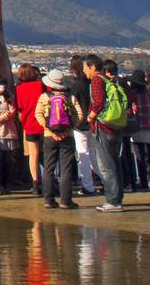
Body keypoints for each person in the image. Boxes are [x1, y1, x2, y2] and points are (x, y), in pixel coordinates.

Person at [35, 68, 82, 209]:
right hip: (67, 136)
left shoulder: (44, 97)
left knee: (49, 168)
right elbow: (79, 115)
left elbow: (38, 114)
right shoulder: (70, 98)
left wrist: (48, 129)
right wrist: (69, 128)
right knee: (66, 169)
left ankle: (48, 199)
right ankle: (66, 201)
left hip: (49, 136)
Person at [83, 54, 125, 212]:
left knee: (106, 165)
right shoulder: (108, 79)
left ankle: (113, 201)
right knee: (115, 162)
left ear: (93, 67)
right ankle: (117, 198)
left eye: (85, 68)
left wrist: (90, 116)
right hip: (114, 126)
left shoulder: (97, 81)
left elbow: (98, 102)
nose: (84, 72)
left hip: (102, 126)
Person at [66, 55, 97, 196]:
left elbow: (71, 104)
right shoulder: (92, 83)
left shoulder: (76, 86)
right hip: (93, 123)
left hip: (80, 125)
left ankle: (88, 186)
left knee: (83, 155)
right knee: (94, 154)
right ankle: (105, 180)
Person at [14, 63, 45, 196]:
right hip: (44, 124)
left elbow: (19, 108)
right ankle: (50, 180)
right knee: (46, 154)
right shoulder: (40, 86)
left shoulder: (19, 89)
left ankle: (35, 183)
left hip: (29, 124)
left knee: (33, 155)